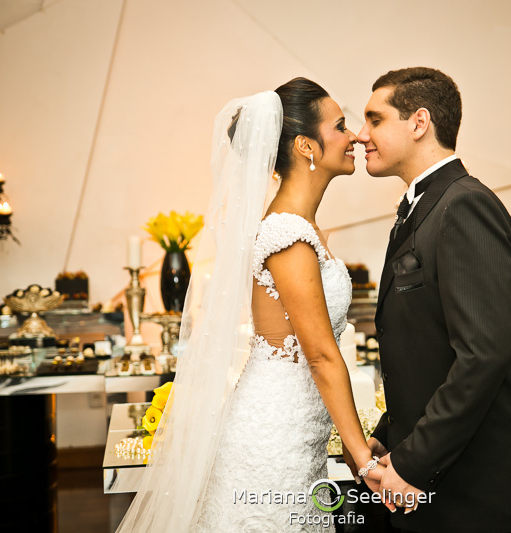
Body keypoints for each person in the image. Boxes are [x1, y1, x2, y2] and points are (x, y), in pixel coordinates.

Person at [117, 78, 389, 533]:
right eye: (341, 126)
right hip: (272, 440)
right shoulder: (288, 234)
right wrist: (361, 455)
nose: (355, 136)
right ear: (306, 146)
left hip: (296, 433)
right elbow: (321, 355)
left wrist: (351, 440)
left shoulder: (298, 227)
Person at [353, 67, 511, 532]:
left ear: (419, 122)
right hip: (446, 484)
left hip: (483, 493)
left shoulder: (463, 205)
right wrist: (390, 436)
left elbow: (481, 356)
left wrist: (413, 461)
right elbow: (429, 349)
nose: (362, 135)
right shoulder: (425, 206)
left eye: (375, 119)